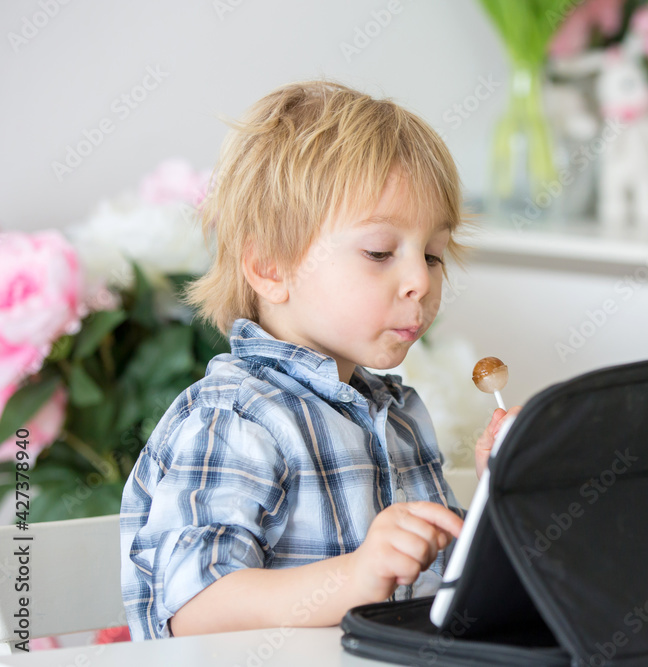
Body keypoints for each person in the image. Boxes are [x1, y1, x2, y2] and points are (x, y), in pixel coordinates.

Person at [119, 80, 517, 640]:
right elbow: (194, 608)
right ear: (271, 267)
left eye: (433, 254)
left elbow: (438, 596)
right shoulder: (237, 418)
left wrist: (501, 493)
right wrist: (354, 576)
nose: (421, 281)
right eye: (380, 252)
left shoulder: (397, 416)